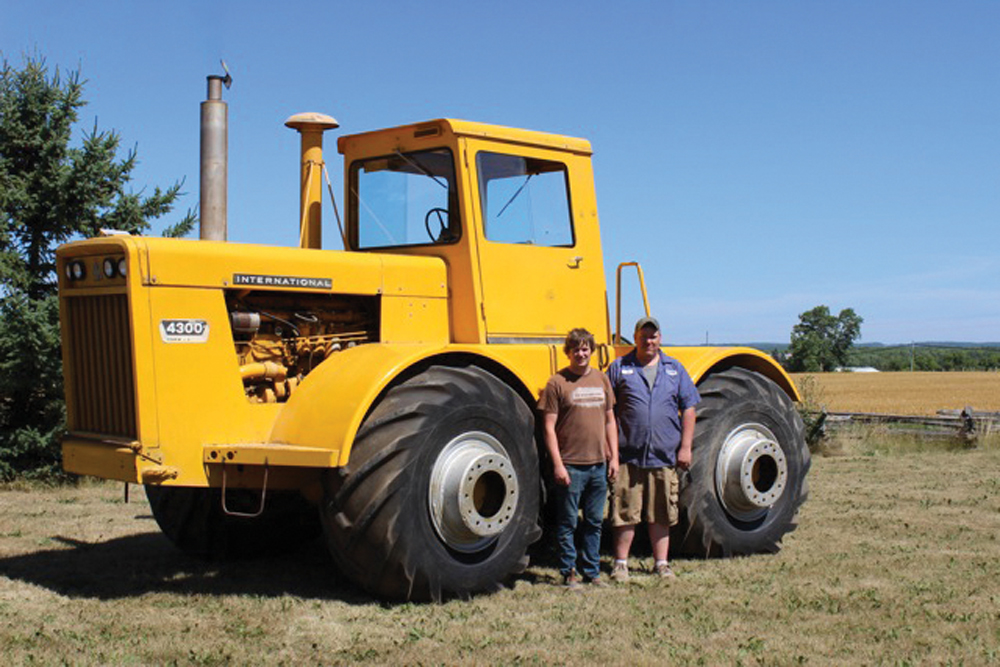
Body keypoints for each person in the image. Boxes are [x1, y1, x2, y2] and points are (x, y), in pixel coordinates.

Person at [607, 316, 699, 581]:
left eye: (653, 336)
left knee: (661, 512)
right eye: (644, 335)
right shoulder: (619, 367)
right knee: (625, 512)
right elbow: (608, 412)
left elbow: (689, 408)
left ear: (660, 338)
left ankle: (661, 564)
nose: (649, 341)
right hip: (629, 455)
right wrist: (612, 452)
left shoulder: (675, 369)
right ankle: (621, 564)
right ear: (634, 337)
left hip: (663, 454)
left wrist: (686, 448)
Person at [539, 328, 619, 589]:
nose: (581, 354)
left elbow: (610, 420)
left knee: (595, 521)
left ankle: (592, 571)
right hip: (571, 465)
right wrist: (558, 464)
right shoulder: (557, 383)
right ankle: (568, 571)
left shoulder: (601, 380)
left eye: (585, 349)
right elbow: (548, 427)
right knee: (569, 522)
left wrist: (614, 457)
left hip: (598, 464)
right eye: (576, 349)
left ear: (591, 351)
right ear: (568, 352)